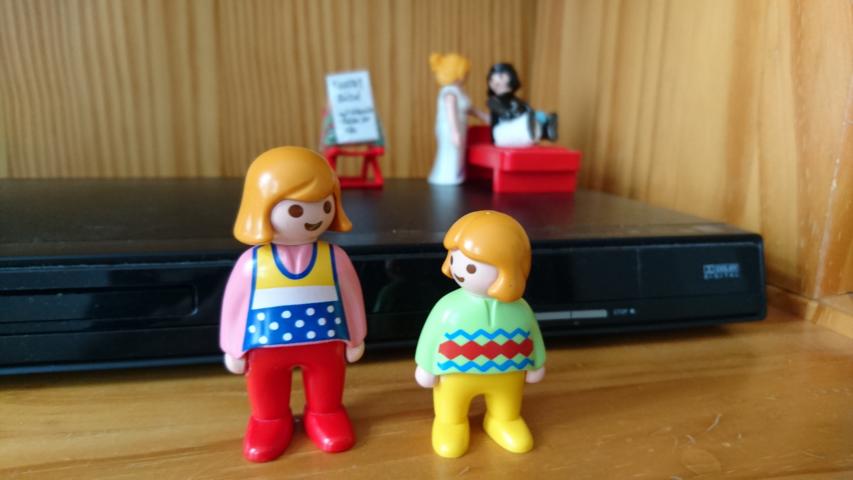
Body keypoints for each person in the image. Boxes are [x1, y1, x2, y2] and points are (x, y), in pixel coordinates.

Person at [220, 147, 367, 462]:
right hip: (265, 344)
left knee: (327, 385)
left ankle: (325, 413)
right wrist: (233, 347)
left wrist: (356, 337)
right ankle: (269, 421)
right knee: (266, 390)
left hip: (326, 341)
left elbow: (352, 298)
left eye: (324, 205)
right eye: (297, 210)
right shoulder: (252, 263)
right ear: (261, 206)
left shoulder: (335, 258)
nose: (314, 217)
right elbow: (234, 308)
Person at [415, 210, 547, 458]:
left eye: (471, 266)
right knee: (451, 406)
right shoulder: (449, 306)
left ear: (509, 269)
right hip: (456, 372)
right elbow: (431, 336)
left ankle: (504, 419)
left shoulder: (521, 310)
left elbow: (533, 335)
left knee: (506, 405)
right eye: (455, 259)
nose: (459, 270)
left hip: (508, 371)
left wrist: (537, 362)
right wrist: (426, 366)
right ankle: (450, 423)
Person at [428, 53, 490, 185]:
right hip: (449, 127)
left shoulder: (459, 91)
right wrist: (454, 132)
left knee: (457, 153)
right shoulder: (449, 91)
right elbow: (451, 112)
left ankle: (455, 175)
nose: (466, 76)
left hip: (459, 126)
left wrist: (483, 116)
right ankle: (447, 176)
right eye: (465, 73)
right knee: (451, 151)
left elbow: (468, 108)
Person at [487, 63, 558, 146]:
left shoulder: (517, 100)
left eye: (502, 76)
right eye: (500, 76)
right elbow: (506, 115)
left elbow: (526, 111)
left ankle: (545, 130)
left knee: (534, 119)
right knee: (524, 123)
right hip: (500, 135)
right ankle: (535, 131)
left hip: (518, 133)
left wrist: (535, 115)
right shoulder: (494, 101)